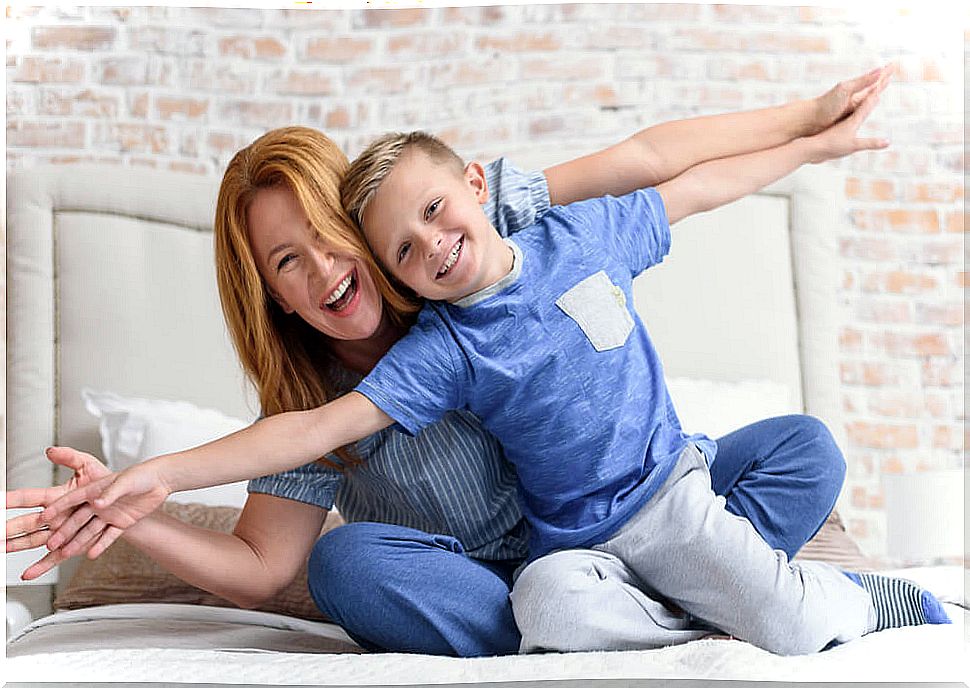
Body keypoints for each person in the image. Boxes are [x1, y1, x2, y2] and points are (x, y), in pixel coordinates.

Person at [33, 78, 949, 656]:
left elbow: (651, 164)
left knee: (803, 449)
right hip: (517, 584)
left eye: (327, 238)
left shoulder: (487, 234)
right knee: (349, 563)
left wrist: (806, 124)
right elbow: (268, 563)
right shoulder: (378, 376)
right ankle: (698, 603)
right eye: (285, 263)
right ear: (268, 293)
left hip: (652, 499)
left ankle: (698, 591)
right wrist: (136, 501)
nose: (324, 272)